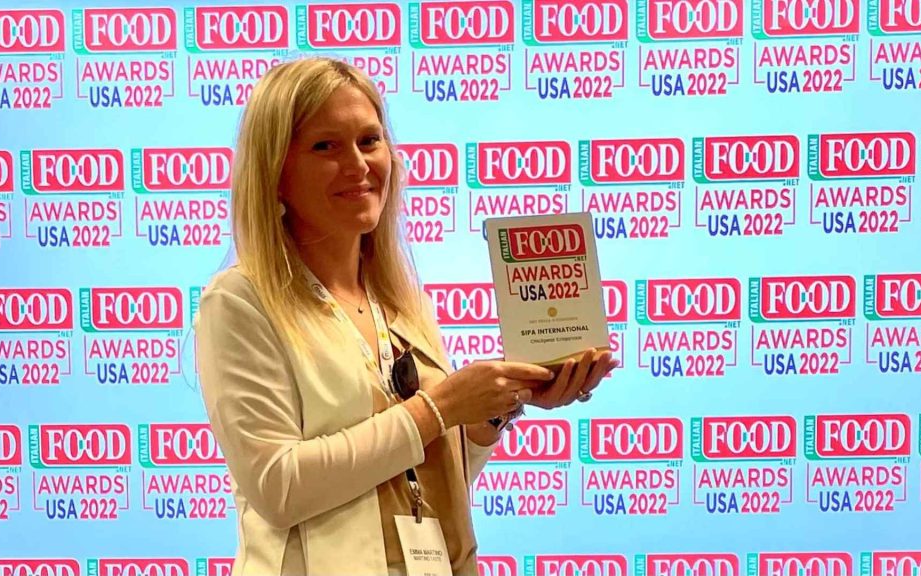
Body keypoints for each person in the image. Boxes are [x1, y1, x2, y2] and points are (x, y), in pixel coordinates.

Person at [194, 56, 617, 576]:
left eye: (369, 141)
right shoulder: (239, 300)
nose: (358, 165)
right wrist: (438, 408)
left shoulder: (400, 299)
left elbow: (423, 476)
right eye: (326, 146)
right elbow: (278, 487)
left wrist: (492, 410)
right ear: (276, 173)